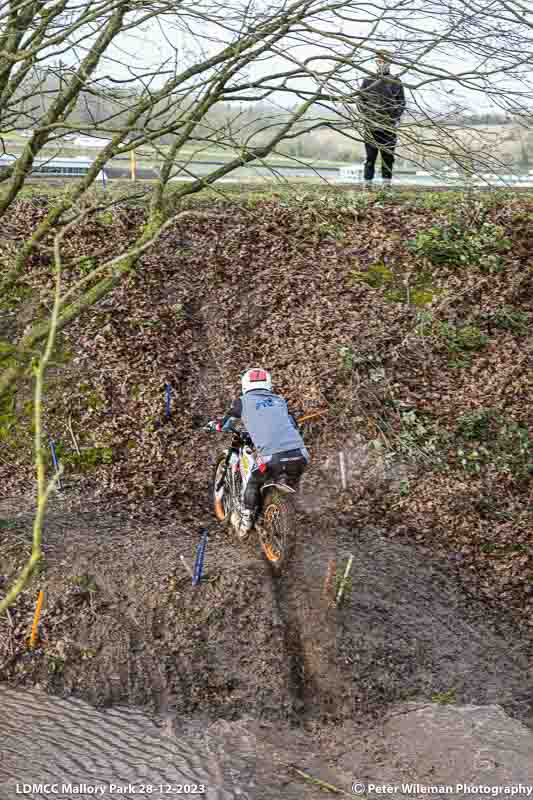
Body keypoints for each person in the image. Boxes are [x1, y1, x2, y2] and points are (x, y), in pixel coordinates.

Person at [206, 368, 309, 536]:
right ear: (268, 383)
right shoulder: (280, 400)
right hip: (300, 455)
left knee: (253, 481)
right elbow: (293, 424)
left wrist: (213, 425)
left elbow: (225, 424)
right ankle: (287, 510)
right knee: (289, 479)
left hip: (272, 457)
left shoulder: (242, 401)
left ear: (245, 384)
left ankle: (244, 523)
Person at [357, 49, 406, 189]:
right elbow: (360, 102)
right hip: (371, 127)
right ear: (375, 62)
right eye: (378, 61)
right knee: (370, 158)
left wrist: (392, 118)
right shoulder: (368, 80)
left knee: (388, 158)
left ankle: (386, 186)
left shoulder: (395, 81)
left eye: (384, 61)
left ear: (389, 62)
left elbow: (401, 103)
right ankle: (367, 185)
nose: (381, 63)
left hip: (389, 128)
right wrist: (369, 117)